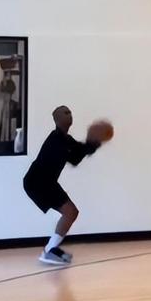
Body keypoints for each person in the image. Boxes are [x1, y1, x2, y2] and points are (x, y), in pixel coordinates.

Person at [23, 105, 100, 265]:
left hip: (46, 181)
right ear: (57, 119)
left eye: (70, 112)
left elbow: (75, 159)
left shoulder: (65, 139)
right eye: (65, 113)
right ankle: (49, 251)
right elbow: (74, 152)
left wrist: (91, 145)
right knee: (70, 212)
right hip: (37, 182)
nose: (69, 115)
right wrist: (90, 145)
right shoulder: (56, 140)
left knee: (71, 212)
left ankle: (51, 249)